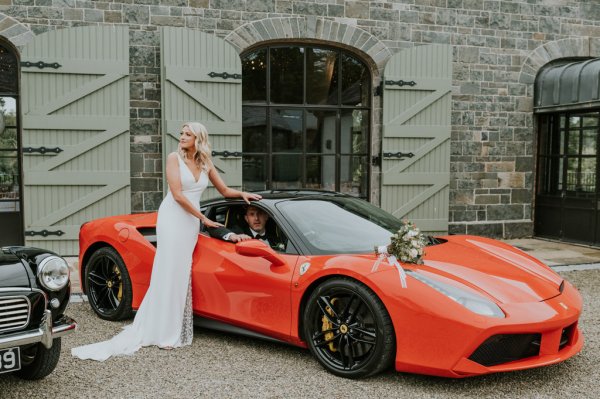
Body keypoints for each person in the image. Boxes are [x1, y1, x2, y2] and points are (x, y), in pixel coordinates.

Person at [72, 122, 261, 361]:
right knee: (168, 271)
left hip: (190, 223)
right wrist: (203, 218)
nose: (182, 137)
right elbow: (178, 195)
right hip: (174, 218)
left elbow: (223, 190)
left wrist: (243, 194)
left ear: (198, 139)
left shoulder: (205, 162)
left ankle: (170, 329)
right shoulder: (174, 158)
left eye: (187, 134)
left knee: (181, 273)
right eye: (182, 133)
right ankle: (162, 332)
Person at [209, 205, 284, 250]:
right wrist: (231, 235)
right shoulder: (238, 233)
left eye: (260, 214)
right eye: (252, 214)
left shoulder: (276, 236)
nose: (256, 218)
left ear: (266, 216)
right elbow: (212, 228)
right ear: (246, 218)